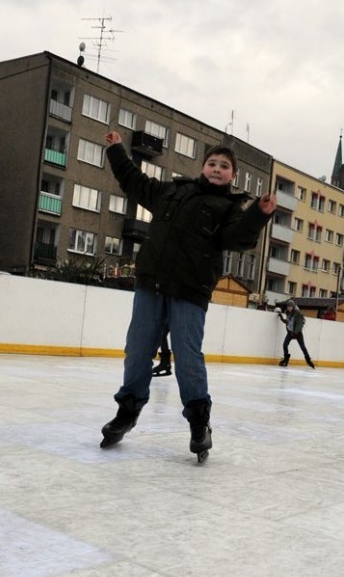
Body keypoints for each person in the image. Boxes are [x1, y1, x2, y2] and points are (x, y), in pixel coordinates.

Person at [99, 131, 276, 457]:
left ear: (232, 176)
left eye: (224, 166)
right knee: (137, 350)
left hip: (190, 291)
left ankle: (198, 422)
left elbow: (238, 238)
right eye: (212, 163)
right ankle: (127, 412)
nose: (217, 168)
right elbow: (133, 181)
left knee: (188, 357)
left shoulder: (229, 208)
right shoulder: (171, 192)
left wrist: (258, 215)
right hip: (151, 283)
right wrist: (115, 149)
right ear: (203, 166)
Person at [277, 300, 315, 368]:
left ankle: (308, 360)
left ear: (293, 306)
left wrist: (295, 332)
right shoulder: (288, 313)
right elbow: (288, 322)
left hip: (297, 333)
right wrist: (281, 318)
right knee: (285, 344)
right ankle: (286, 358)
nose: (289, 308)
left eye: (290, 306)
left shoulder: (297, 313)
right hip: (290, 332)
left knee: (302, 347)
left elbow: (300, 323)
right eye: (288, 306)